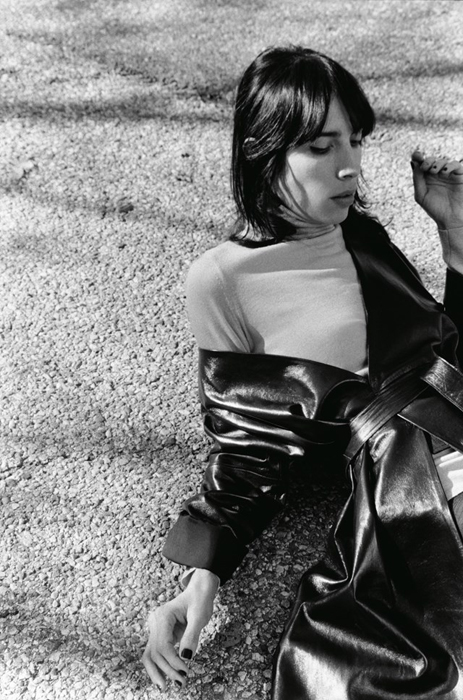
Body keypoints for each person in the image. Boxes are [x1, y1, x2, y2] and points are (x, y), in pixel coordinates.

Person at [142, 46, 463, 698]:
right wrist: (201, 579)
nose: (348, 165)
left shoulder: (361, 236)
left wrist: (456, 241)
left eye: (353, 140)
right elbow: (247, 446)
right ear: (262, 151)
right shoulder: (224, 280)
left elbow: (440, 351)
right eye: (319, 146)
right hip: (419, 479)